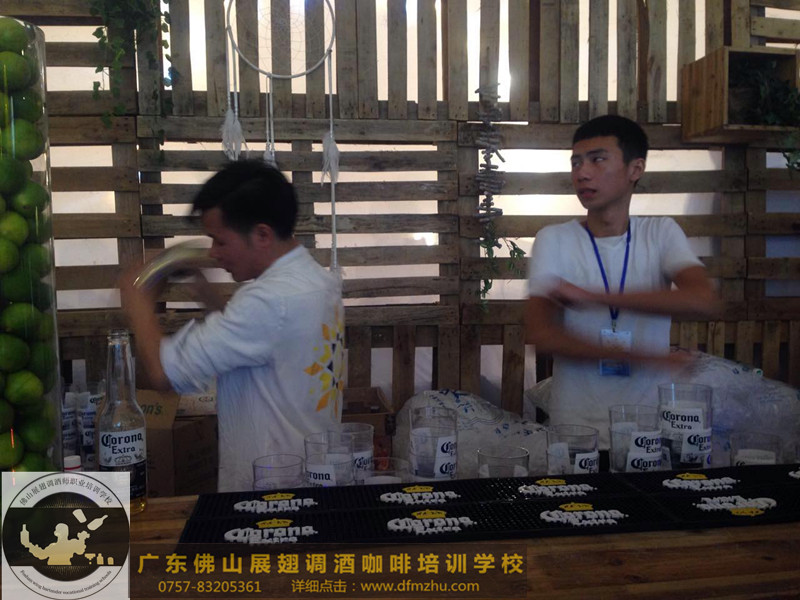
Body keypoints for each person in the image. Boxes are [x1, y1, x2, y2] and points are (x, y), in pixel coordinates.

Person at [121, 160, 346, 492]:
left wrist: (135, 296)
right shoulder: (315, 281)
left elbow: (164, 374)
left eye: (220, 241)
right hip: (309, 478)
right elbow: (264, 346)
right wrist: (204, 291)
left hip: (273, 495)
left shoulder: (268, 300)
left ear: (262, 235)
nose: (213, 253)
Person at [525, 115, 720, 450]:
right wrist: (644, 358)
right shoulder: (554, 239)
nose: (582, 173)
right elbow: (540, 333)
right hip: (574, 432)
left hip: (648, 432)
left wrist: (595, 297)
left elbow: (702, 299)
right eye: (576, 162)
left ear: (635, 169)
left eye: (598, 159)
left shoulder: (660, 233)